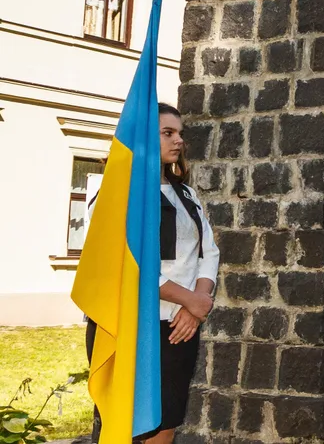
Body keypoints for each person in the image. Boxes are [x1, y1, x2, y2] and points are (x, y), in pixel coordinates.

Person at [86, 103, 219, 444]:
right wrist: (190, 299)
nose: (178, 141)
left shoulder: (186, 195)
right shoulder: (116, 195)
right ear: (145, 137)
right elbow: (126, 263)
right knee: (125, 420)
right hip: (130, 323)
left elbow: (208, 252)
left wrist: (196, 304)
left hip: (178, 325)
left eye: (180, 134)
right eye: (167, 133)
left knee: (166, 418)